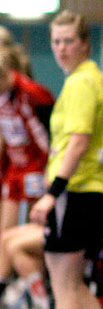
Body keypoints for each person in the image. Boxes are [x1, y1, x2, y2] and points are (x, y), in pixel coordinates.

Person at [27, 10, 103, 309]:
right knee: (74, 281)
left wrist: (53, 192)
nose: (62, 48)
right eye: (56, 41)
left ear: (84, 43)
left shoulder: (83, 83)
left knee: (62, 282)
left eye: (69, 41)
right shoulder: (84, 80)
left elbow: (78, 141)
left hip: (77, 191)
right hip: (89, 192)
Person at [0, 49, 54, 251]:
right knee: (5, 231)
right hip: (15, 164)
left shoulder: (33, 93)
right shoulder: (4, 96)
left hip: (36, 164)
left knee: (34, 225)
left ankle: (33, 276)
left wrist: (51, 167)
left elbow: (53, 131)